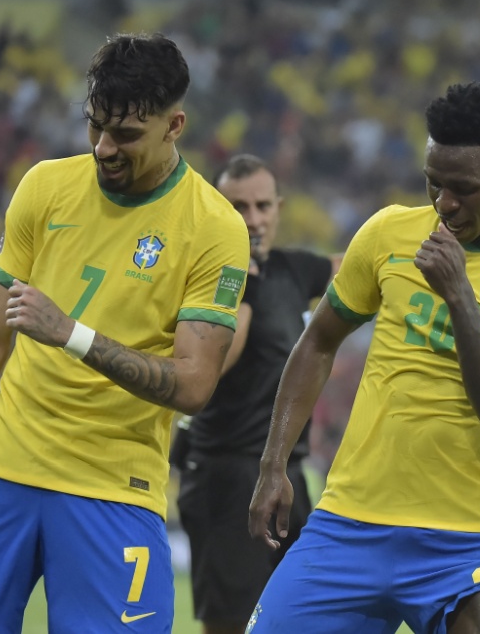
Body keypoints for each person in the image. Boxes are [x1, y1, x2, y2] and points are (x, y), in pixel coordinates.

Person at [0, 33, 249, 634]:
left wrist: (72, 335)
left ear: (175, 125)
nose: (102, 148)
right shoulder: (45, 187)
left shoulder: (214, 228)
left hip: (113, 482)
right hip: (2, 465)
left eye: (125, 136)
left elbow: (195, 385)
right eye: (95, 127)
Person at [245, 82, 480, 634]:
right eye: (433, 184)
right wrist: (273, 463)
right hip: (350, 521)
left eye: (463, 188)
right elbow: (318, 342)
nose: (444, 204)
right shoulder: (387, 233)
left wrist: (458, 294)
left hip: (465, 535)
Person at [173, 154, 339, 634]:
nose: (253, 219)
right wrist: (235, 283)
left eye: (262, 205)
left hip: (287, 470)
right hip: (228, 475)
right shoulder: (207, 281)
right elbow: (209, 368)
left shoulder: (293, 270)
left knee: (306, 618)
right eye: (237, 206)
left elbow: (363, 269)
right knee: (232, 623)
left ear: (278, 207)